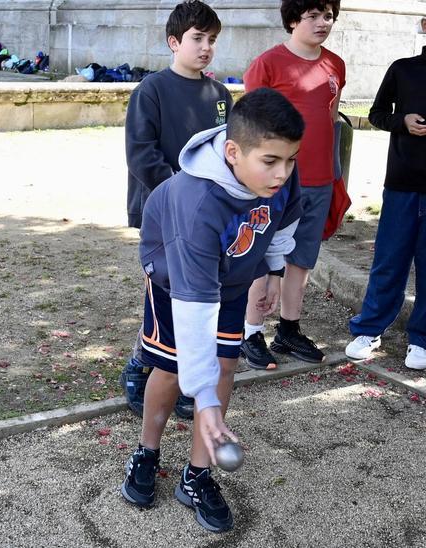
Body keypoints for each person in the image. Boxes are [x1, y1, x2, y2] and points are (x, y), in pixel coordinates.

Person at [119, 88, 303, 534]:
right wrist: (202, 398)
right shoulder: (196, 201)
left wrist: (274, 270)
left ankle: (196, 475)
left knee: (225, 365)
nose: (282, 173)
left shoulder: (277, 170)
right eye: (271, 162)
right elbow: (194, 309)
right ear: (234, 152)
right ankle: (147, 451)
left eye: (291, 160)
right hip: (175, 281)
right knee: (171, 366)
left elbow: (286, 218)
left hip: (233, 278)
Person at [344, 0, 426, 369]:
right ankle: (369, 329)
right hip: (402, 181)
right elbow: (376, 114)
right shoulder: (403, 70)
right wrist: (402, 121)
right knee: (389, 261)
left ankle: (423, 338)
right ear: (424, 24)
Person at [120, 0, 234, 421]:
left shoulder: (220, 94)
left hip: (210, 217)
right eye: (197, 39)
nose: (206, 48)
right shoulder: (151, 90)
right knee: (164, 293)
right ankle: (141, 365)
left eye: (212, 40)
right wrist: (180, 196)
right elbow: (141, 153)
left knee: (199, 295)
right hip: (164, 212)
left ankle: (182, 372)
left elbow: (230, 151)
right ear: (174, 42)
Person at [238, 0, 345, 369]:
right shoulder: (267, 64)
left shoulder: (335, 65)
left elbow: (331, 120)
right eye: (313, 16)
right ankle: (250, 332)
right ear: (293, 19)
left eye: (328, 16)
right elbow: (250, 127)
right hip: (276, 181)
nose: (323, 23)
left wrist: (335, 176)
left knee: (301, 259)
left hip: (318, 181)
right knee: (262, 257)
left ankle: (288, 328)